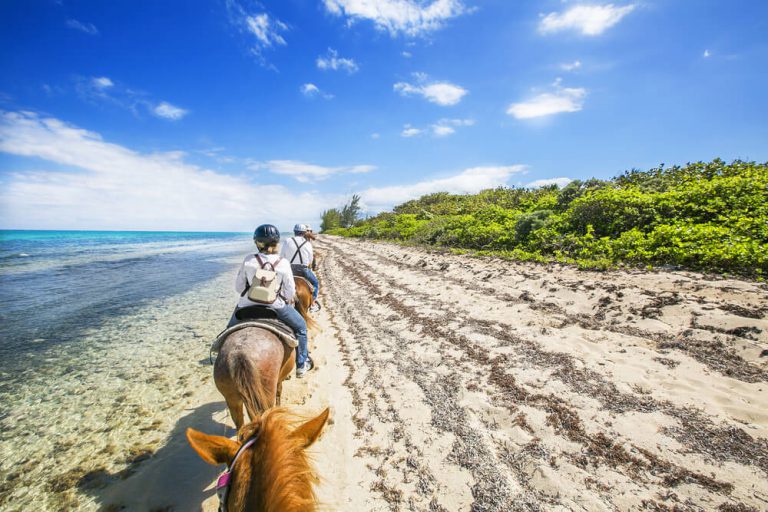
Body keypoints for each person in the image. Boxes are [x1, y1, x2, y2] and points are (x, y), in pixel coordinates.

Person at [233, 224, 314, 377]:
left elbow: (239, 287)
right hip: (275, 306)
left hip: (246, 305)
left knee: (227, 332)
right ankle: (301, 364)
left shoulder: (248, 260)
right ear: (276, 242)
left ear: (257, 243)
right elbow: (290, 292)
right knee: (301, 328)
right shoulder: (283, 262)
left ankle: (219, 352)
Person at [281, 223, 321, 313]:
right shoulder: (307, 243)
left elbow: (282, 257)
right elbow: (310, 259)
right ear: (304, 232)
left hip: (290, 269)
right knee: (315, 283)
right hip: (303, 270)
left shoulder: (287, 241)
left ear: (294, 232)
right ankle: (313, 303)